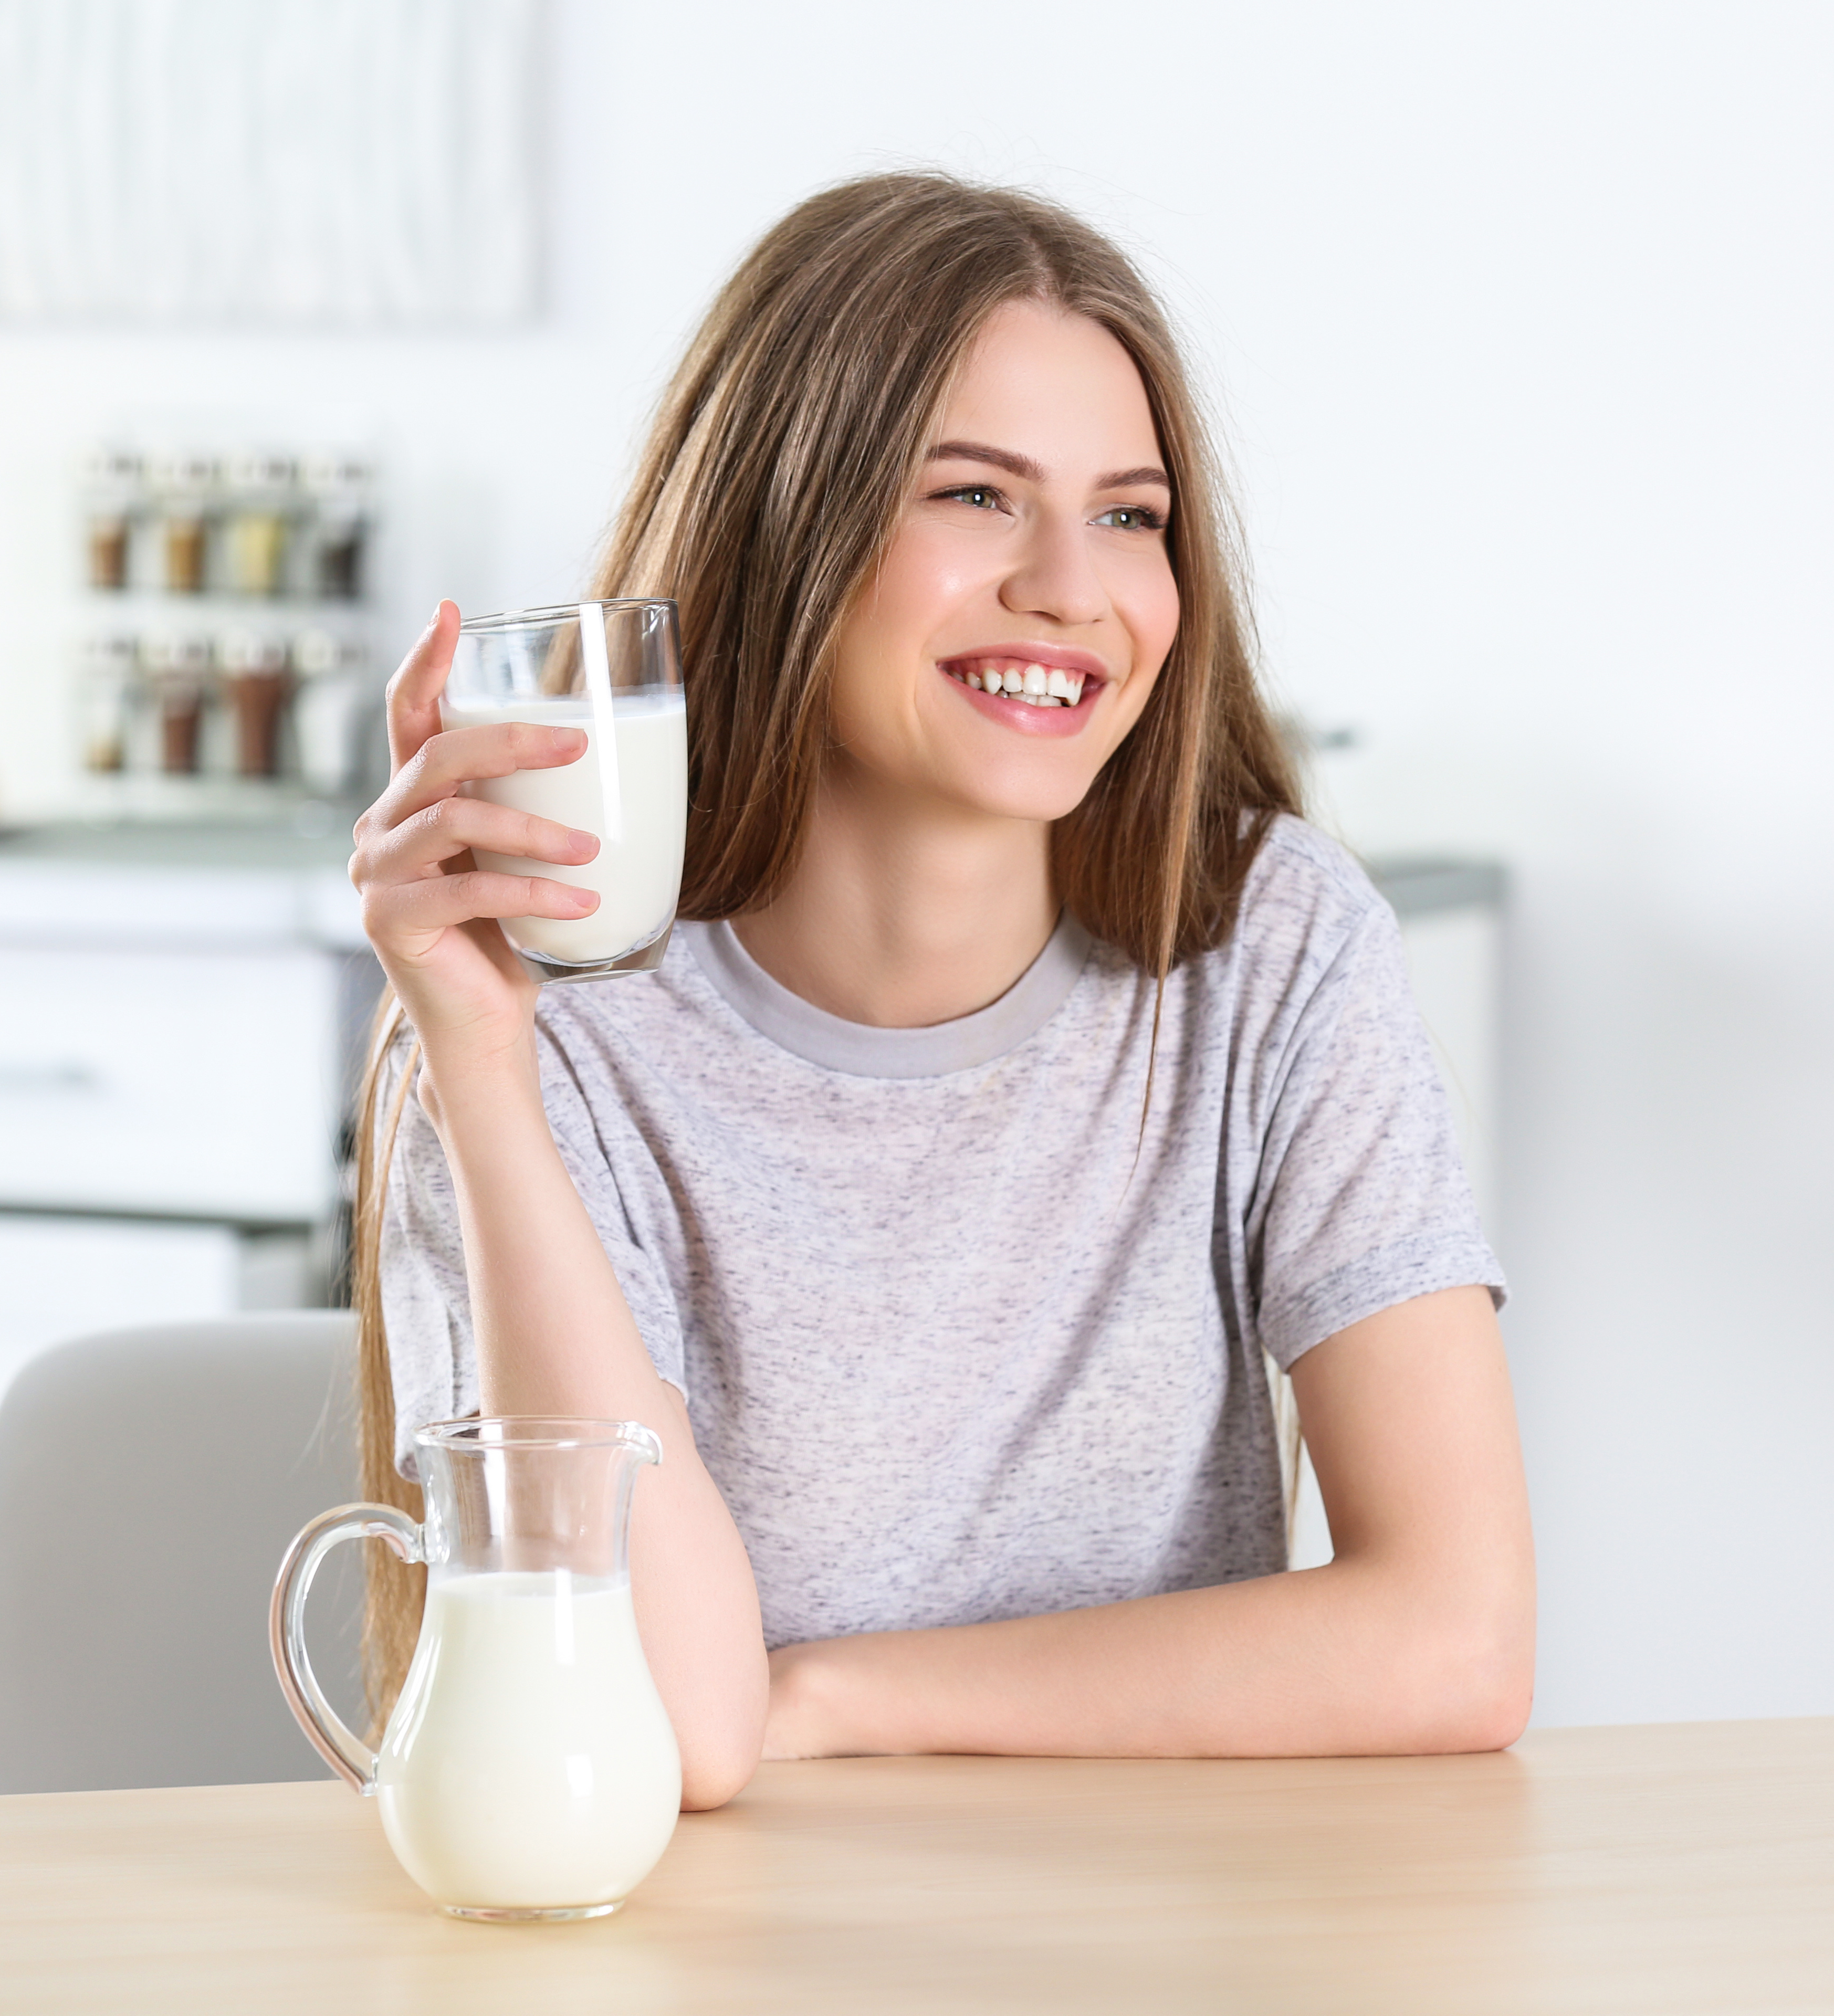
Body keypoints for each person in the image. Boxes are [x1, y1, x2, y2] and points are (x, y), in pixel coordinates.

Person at [350, 173, 1533, 1810]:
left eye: (1131, 515)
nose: (1074, 586)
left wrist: (834, 1694)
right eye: (976, 497)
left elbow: (1456, 1642)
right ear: (788, 526)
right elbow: (676, 1727)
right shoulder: (549, 1030)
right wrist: (479, 1069)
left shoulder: (1273, 947)